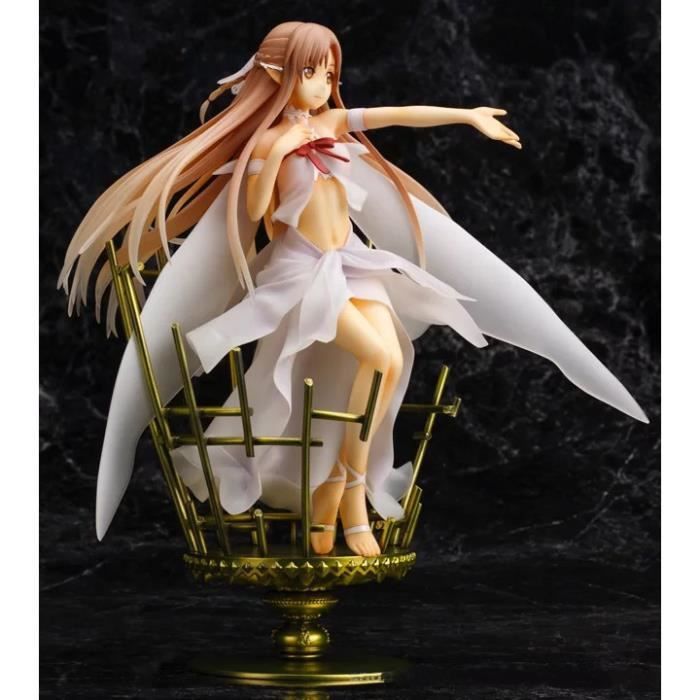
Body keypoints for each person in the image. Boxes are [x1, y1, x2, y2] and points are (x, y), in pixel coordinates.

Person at [57, 21, 647, 558]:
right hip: (303, 274)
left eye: (329, 74)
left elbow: (395, 114)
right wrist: (276, 152)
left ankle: (338, 492)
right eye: (312, 73)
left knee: (394, 360)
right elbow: (256, 212)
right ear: (276, 75)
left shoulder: (331, 125)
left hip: (353, 264)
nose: (323, 86)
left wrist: (466, 116)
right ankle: (347, 494)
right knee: (381, 357)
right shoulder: (266, 144)